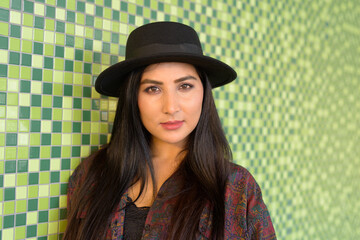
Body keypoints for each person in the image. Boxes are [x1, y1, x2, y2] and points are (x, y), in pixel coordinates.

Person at [64, 21, 276, 240]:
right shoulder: (92, 175)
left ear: (204, 92)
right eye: (152, 89)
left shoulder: (236, 188)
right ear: (132, 97)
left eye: (185, 86)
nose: (171, 107)